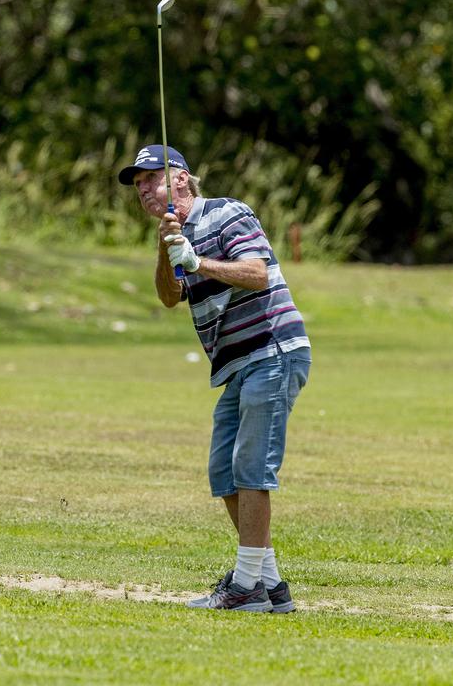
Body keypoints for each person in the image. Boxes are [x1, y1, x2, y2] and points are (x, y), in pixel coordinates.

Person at [118, 144, 311, 613]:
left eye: (152, 179)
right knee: (224, 474)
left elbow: (257, 274)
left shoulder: (227, 213)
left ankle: (246, 586)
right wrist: (170, 251)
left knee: (250, 470)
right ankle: (269, 584)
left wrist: (197, 261)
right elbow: (169, 297)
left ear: (182, 178)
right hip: (235, 365)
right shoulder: (174, 234)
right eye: (138, 185)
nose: (144, 189)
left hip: (272, 350)